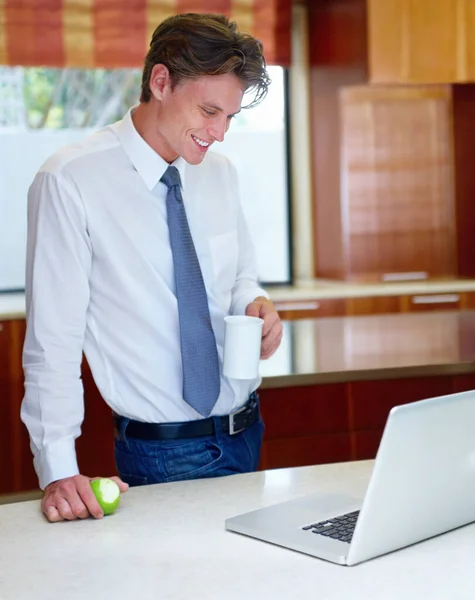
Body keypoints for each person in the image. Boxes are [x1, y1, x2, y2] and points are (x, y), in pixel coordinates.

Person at [21, 13, 283, 523]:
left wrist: (257, 304)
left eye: (229, 117)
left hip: (247, 432)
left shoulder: (219, 173)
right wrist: (57, 470)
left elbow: (241, 278)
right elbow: (52, 342)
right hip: (163, 453)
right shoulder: (70, 180)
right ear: (160, 82)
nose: (220, 133)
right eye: (210, 111)